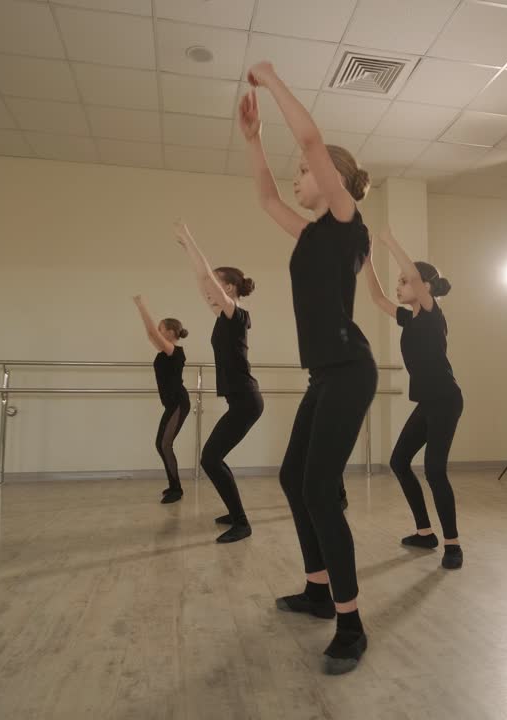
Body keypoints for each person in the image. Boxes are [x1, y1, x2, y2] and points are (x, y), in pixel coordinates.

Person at [239, 60, 376, 675]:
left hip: (350, 368)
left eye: (304, 174)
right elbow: (266, 198)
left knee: (320, 489)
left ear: (335, 180)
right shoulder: (310, 237)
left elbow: (314, 141)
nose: (298, 179)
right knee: (295, 480)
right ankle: (319, 590)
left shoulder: (348, 224)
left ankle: (350, 624)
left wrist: (270, 78)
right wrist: (252, 143)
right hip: (326, 373)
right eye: (298, 172)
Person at [362, 229, 465, 569]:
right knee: (399, 461)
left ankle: (452, 545)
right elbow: (377, 298)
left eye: (405, 281)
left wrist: (389, 240)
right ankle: (425, 532)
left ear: (425, 288)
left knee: (435, 470)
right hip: (428, 402)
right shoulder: (409, 319)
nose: (399, 286)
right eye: (400, 282)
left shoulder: (433, 314)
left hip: (446, 400)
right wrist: (367, 259)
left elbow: (416, 280)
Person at [172, 221, 263, 544]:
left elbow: (207, 277)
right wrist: (187, 251)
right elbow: (203, 280)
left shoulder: (236, 315)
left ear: (232, 290)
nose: (210, 294)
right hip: (241, 401)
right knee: (213, 457)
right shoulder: (223, 317)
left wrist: (191, 239)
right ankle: (233, 512)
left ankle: (241, 522)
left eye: (218, 289)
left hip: (247, 401)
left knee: (210, 459)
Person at [132, 296, 190, 504]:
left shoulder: (175, 352)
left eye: (161, 328)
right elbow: (151, 335)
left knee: (164, 444)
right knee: (162, 444)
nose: (157, 332)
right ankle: (174, 486)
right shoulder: (166, 352)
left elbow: (150, 333)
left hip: (178, 403)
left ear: (171, 333)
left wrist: (141, 306)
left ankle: (177, 489)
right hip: (173, 404)